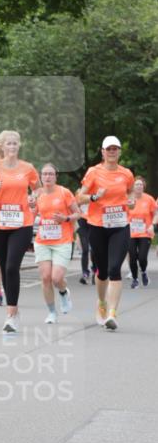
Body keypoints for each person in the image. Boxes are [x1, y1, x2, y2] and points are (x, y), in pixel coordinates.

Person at [0, 130, 39, 332]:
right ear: (2, 147)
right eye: (8, 144)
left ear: (19, 146)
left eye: (15, 143)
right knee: (4, 268)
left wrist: (33, 197)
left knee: (12, 266)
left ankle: (11, 314)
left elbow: (37, 189)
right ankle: (15, 309)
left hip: (22, 224)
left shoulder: (27, 168)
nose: (12, 147)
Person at [77, 135, 135, 330]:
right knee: (101, 271)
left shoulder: (126, 174)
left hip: (120, 226)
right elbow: (79, 197)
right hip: (98, 226)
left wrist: (132, 201)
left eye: (115, 149)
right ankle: (102, 302)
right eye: (108, 149)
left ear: (119, 152)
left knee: (114, 269)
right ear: (102, 152)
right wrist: (94, 197)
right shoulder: (94, 172)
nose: (112, 152)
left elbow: (131, 192)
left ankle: (112, 313)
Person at [33, 164, 80, 323]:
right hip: (43, 240)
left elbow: (78, 214)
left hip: (62, 240)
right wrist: (29, 207)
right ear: (40, 176)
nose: (47, 177)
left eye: (51, 174)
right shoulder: (37, 194)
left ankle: (63, 292)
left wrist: (65, 219)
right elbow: (31, 215)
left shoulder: (64, 192)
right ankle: (52, 312)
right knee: (45, 277)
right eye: (44, 174)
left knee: (56, 277)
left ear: (56, 176)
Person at [127, 177, 156, 288]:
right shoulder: (128, 199)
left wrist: (152, 225)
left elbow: (156, 213)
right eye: (136, 184)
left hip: (145, 232)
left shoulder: (149, 199)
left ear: (143, 187)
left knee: (142, 257)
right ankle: (135, 279)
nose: (139, 186)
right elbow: (124, 213)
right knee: (133, 257)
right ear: (133, 187)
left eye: (140, 184)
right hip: (131, 233)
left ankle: (143, 272)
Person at [76, 202, 97, 285]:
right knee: (85, 249)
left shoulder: (96, 193)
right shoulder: (80, 194)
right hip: (82, 222)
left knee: (94, 250)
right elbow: (74, 207)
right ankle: (85, 273)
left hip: (93, 221)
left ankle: (95, 271)